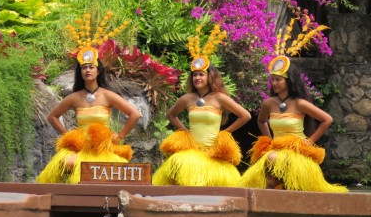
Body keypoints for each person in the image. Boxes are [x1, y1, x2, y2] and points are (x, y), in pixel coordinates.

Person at [152, 25, 251, 187]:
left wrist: (225, 133)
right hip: (192, 151)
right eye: (195, 75)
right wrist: (184, 130)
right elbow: (171, 115)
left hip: (212, 153)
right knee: (180, 168)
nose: (197, 78)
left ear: (209, 77)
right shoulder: (187, 98)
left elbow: (245, 115)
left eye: (201, 74)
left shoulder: (219, 98)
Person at [239, 56, 347, 192]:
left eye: (278, 79)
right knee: (269, 179)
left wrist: (309, 141)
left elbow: (327, 119)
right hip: (277, 150)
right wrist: (269, 140)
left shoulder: (300, 103)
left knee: (276, 165)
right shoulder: (269, 103)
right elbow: (261, 121)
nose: (274, 83)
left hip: (296, 152)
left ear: (289, 81)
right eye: (273, 79)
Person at [37, 47, 142, 183]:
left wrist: (119, 136)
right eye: (84, 68)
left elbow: (135, 114)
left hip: (102, 148)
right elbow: (52, 117)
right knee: (67, 163)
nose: (87, 70)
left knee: (114, 168)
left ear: (98, 71)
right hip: (81, 147)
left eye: (91, 67)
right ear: (80, 72)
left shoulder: (107, 95)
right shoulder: (74, 97)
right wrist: (68, 136)